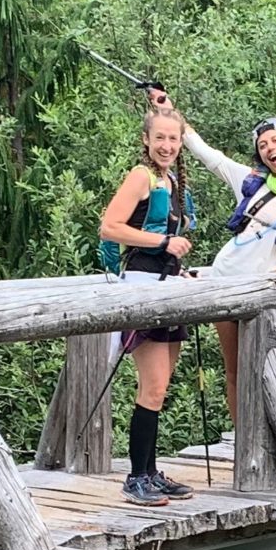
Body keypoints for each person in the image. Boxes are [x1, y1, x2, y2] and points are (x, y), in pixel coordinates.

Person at [147, 89, 276, 422]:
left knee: (272, 372)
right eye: (263, 145)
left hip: (265, 292)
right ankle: (244, 441)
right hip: (227, 281)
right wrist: (170, 112)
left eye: (275, 141)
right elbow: (206, 153)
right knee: (235, 370)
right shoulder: (250, 181)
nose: (270, 148)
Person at [97, 102, 200, 507]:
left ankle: (150, 472)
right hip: (143, 286)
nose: (167, 145)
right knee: (153, 387)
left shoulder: (170, 181)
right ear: (146, 140)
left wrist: (179, 266)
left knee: (157, 388)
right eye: (160, 137)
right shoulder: (141, 176)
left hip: (167, 285)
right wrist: (162, 243)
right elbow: (110, 226)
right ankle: (136, 476)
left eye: (174, 139)